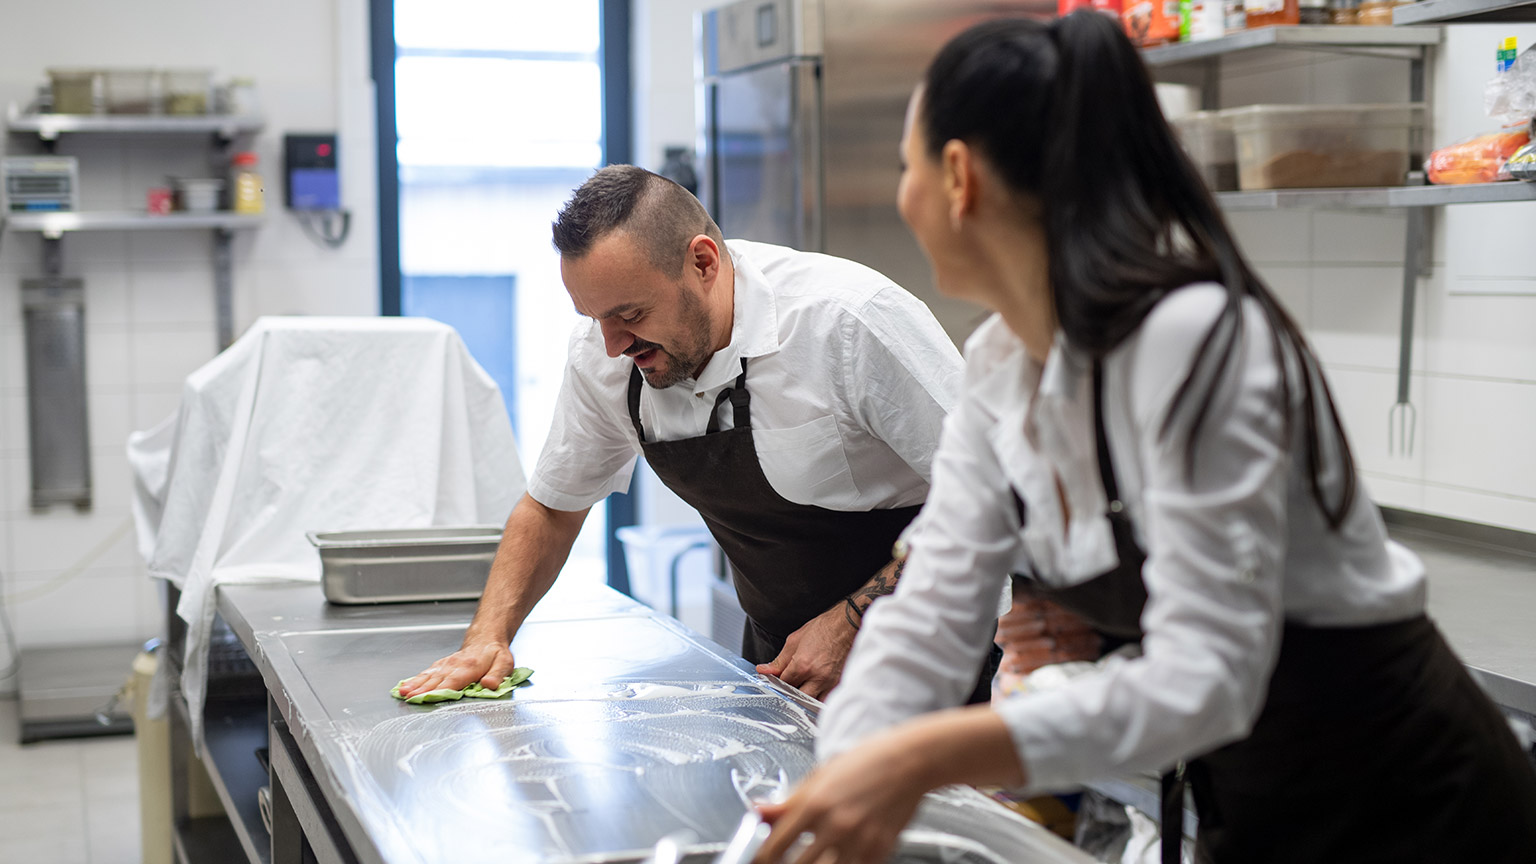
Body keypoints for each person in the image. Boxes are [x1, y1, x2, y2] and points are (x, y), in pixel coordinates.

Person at [752, 12, 1536, 864]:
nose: (901, 197)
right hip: (1256, 791)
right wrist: (843, 769)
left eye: (906, 168)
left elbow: (1206, 679)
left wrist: (921, 755)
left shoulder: (1193, 338)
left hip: (1412, 797)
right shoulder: (1003, 363)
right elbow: (935, 605)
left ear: (957, 176)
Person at [398, 165, 995, 703]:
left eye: (630, 315)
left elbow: (997, 498)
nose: (613, 345)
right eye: (595, 319)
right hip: (784, 665)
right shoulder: (606, 356)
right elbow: (553, 509)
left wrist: (852, 622)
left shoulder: (849, 322)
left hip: (939, 653)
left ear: (704, 263)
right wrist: (487, 638)